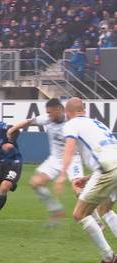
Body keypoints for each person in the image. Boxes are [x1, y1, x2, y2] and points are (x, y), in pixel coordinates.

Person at [7, 98, 104, 227]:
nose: (49, 116)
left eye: (51, 113)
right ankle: (56, 210)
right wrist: (11, 129)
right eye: (47, 113)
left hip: (72, 159)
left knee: (78, 190)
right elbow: (29, 122)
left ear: (59, 110)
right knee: (35, 183)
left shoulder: (71, 121)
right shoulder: (48, 119)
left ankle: (97, 221)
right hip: (55, 159)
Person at [55, 97, 117, 263]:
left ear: (67, 113)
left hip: (107, 169)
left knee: (79, 214)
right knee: (105, 209)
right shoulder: (99, 124)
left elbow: (69, 147)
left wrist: (62, 174)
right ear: (84, 110)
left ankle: (108, 257)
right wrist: (87, 178)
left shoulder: (72, 123)